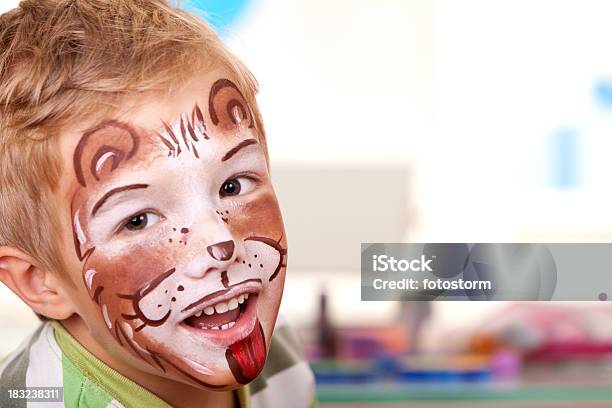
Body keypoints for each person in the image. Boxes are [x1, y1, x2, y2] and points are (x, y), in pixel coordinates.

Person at [0, 1, 315, 407]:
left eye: (233, 186)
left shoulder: (273, 345)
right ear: (38, 281)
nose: (221, 245)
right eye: (138, 220)